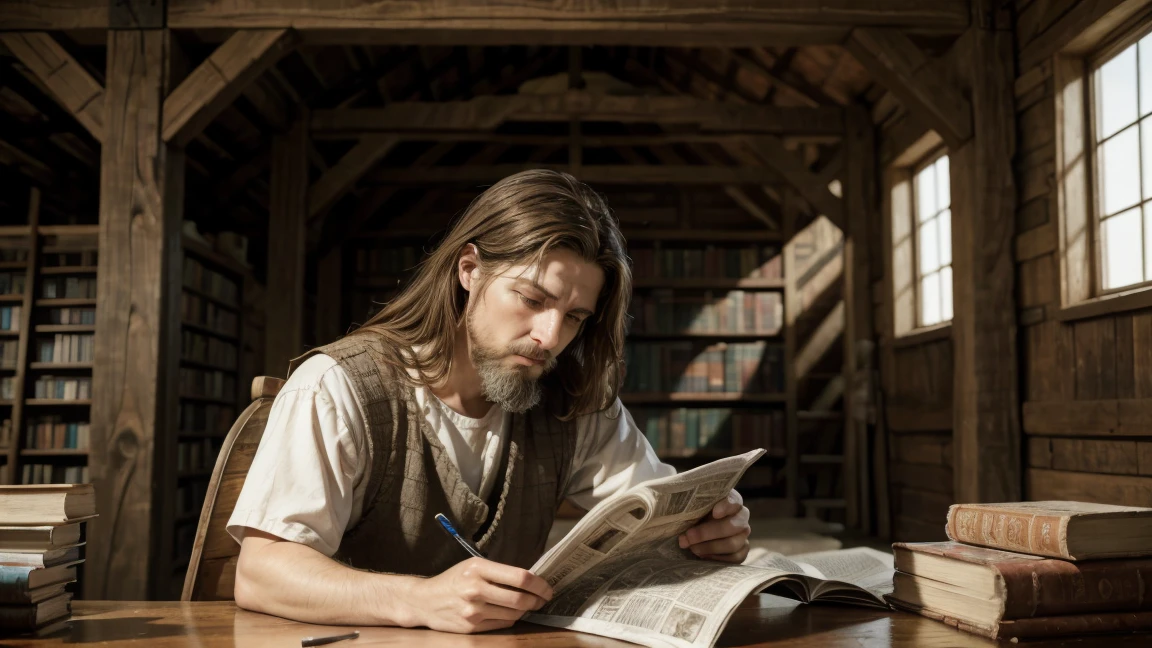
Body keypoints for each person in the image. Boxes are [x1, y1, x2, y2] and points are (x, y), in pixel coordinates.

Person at [228, 170, 752, 633]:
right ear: (469, 269)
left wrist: (711, 533)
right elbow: (261, 572)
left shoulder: (573, 399)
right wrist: (421, 600)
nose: (549, 336)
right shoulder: (338, 385)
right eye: (531, 299)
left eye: (574, 317)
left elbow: (658, 518)